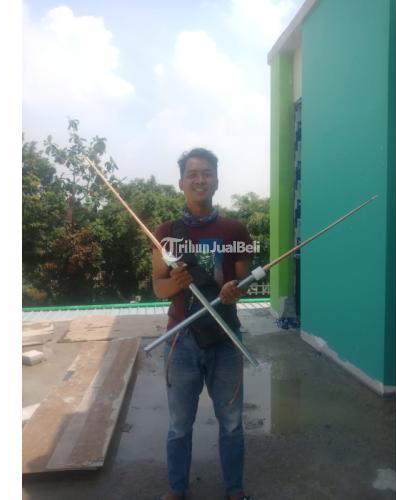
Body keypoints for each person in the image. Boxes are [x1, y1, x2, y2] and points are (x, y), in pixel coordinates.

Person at [152, 148, 253, 500]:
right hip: (181, 338)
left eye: (207, 173)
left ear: (216, 180)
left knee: (232, 422)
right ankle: (177, 489)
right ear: (181, 183)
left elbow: (244, 282)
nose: (200, 179)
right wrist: (175, 284)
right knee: (180, 425)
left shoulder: (235, 230)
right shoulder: (166, 233)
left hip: (226, 337)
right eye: (192, 174)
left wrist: (234, 289)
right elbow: (158, 287)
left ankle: (235, 489)